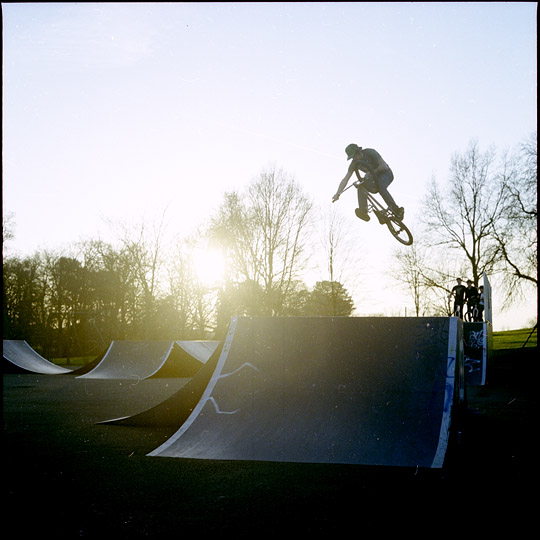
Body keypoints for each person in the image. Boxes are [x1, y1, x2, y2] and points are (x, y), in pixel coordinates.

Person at [332, 143, 404, 221]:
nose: (354, 159)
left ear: (359, 152)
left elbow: (384, 166)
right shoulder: (354, 163)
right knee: (360, 186)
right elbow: (345, 179)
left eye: (355, 156)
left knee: (381, 187)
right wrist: (338, 193)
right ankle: (363, 211)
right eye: (352, 158)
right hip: (373, 178)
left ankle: (396, 210)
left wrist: (372, 172)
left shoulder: (370, 152)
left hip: (386, 174)